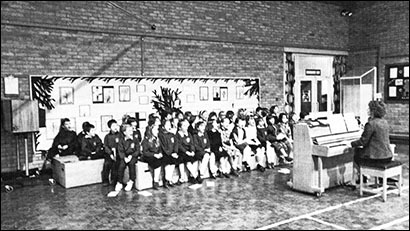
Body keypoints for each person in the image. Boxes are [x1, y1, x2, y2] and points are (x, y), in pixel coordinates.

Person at [343, 100, 393, 183]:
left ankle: (362, 176)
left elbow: (363, 141)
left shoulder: (370, 124)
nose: (367, 110)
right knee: (360, 152)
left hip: (378, 159)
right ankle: (364, 176)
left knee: (356, 154)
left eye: (369, 108)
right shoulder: (384, 122)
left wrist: (350, 143)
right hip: (387, 156)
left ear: (373, 111)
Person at [115, 124, 140, 192]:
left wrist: (132, 156)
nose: (131, 132)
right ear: (124, 132)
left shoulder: (135, 140)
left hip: (133, 156)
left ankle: (131, 181)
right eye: (129, 131)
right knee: (121, 165)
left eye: (131, 130)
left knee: (132, 164)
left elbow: (137, 150)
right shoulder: (121, 140)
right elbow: (120, 151)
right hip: (125, 157)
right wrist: (124, 157)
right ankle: (119, 182)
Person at [159, 119, 183, 186]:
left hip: (173, 153)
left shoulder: (172, 134)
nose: (168, 126)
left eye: (169, 125)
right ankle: (166, 180)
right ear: (163, 126)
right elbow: (163, 146)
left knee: (174, 162)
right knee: (167, 162)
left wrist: (175, 152)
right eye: (167, 125)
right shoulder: (161, 135)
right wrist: (170, 153)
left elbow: (176, 144)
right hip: (166, 153)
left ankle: (169, 179)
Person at [141, 125, 165, 190]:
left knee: (163, 159)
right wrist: (154, 155)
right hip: (148, 156)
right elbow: (145, 152)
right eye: (155, 130)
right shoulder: (146, 140)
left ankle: (164, 180)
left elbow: (160, 148)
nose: (157, 132)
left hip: (156, 155)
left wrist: (160, 153)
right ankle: (155, 181)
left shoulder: (157, 139)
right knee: (157, 161)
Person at [176, 119, 199, 184]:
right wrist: (187, 152)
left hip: (189, 151)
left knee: (195, 158)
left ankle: (192, 176)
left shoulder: (188, 133)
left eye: (186, 126)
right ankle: (195, 176)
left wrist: (192, 151)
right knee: (187, 160)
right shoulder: (178, 135)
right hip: (182, 152)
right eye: (184, 126)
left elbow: (191, 143)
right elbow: (179, 146)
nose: (186, 127)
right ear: (180, 127)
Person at [102, 119, 121, 187]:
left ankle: (114, 180)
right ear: (110, 127)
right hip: (110, 154)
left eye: (116, 125)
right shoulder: (107, 136)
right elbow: (106, 146)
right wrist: (110, 154)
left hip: (119, 153)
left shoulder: (120, 135)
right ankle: (105, 180)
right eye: (113, 126)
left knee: (116, 165)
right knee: (107, 164)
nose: (115, 127)